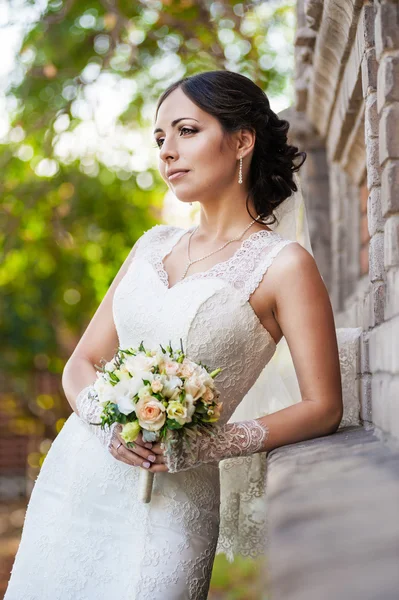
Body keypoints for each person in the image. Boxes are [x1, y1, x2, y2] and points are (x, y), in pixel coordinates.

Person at [4, 70, 343, 600]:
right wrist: (104, 423)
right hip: (79, 479)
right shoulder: (151, 246)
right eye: (160, 139)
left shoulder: (285, 266)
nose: (167, 152)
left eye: (185, 131)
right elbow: (81, 363)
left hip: (177, 497)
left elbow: (323, 406)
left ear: (242, 141)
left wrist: (208, 444)